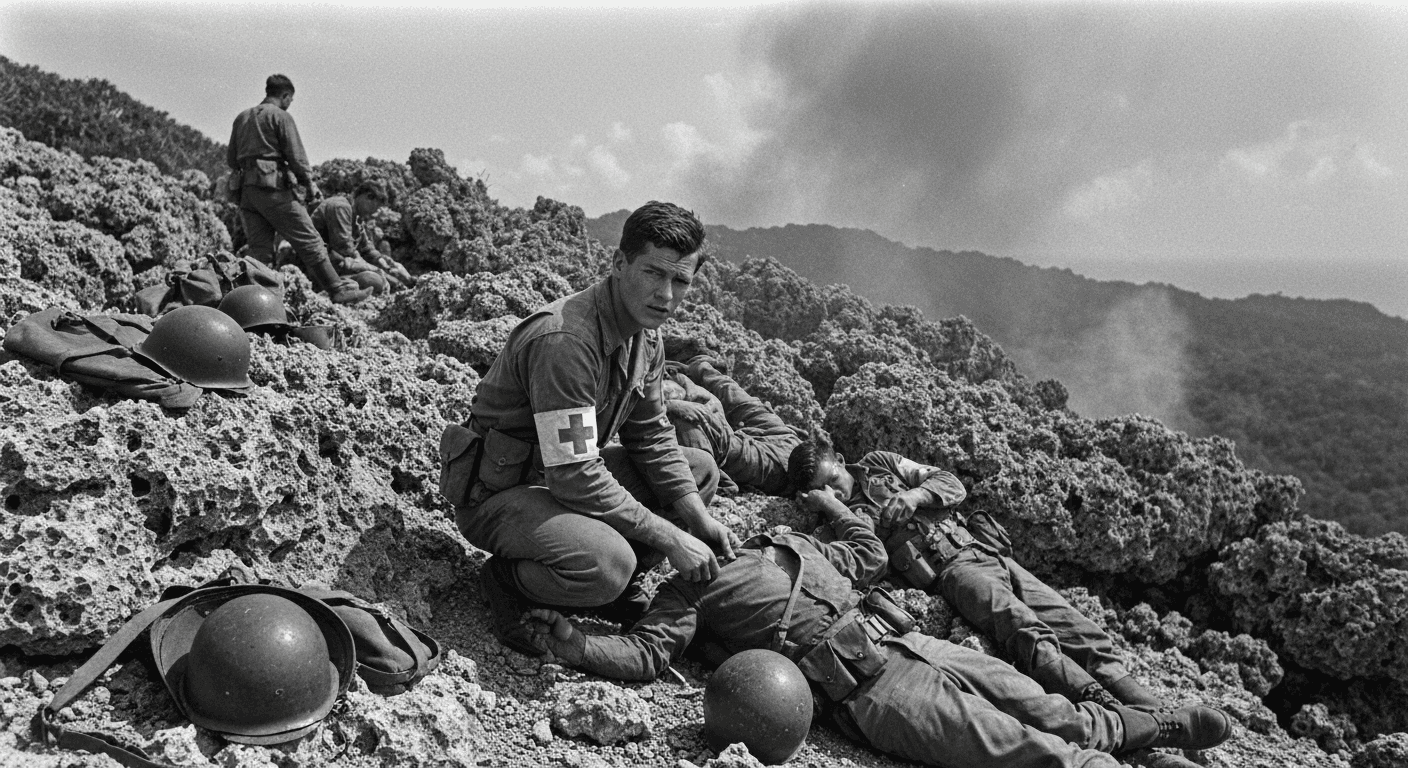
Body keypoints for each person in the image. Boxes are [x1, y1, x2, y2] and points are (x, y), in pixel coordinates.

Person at [525, 489, 1232, 768]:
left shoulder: (779, 543)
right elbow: (649, 653)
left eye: (697, 509)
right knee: (1032, 752)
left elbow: (864, 549)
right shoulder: (689, 593)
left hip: (909, 643)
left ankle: (1155, 730)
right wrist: (577, 643)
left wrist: (831, 503)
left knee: (1053, 712)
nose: (697, 523)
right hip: (872, 694)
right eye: (679, 522)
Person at [454, 201, 738, 656]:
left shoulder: (646, 331)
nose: (665, 294)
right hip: (501, 496)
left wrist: (698, 521)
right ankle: (510, 583)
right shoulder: (567, 341)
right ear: (619, 263)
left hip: (559, 480)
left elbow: (650, 435)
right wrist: (670, 536)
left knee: (699, 471)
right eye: (653, 273)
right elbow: (575, 474)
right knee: (609, 564)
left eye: (680, 280)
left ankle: (604, 582)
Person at [786, 435, 1167, 711]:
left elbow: (949, 483)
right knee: (1017, 623)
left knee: (1072, 623)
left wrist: (916, 495)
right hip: (953, 573)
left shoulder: (880, 463)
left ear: (839, 458)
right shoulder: (839, 526)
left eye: (833, 480)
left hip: (981, 549)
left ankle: (1128, 689)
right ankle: (1096, 700)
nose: (834, 492)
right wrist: (835, 508)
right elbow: (870, 560)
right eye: (823, 493)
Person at [226, 74, 370, 305]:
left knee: (260, 250)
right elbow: (296, 156)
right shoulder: (281, 117)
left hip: (247, 193)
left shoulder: (241, 118)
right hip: (273, 189)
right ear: (285, 96)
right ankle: (337, 289)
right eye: (289, 99)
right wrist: (309, 184)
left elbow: (232, 160)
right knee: (309, 239)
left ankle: (255, 302)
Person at [661, 355, 802, 496]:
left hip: (773, 459)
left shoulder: (762, 466)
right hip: (785, 442)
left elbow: (724, 477)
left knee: (734, 403)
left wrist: (672, 404)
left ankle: (700, 368)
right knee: (740, 402)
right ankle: (700, 367)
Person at [309, 180, 415, 291]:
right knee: (376, 280)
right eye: (376, 207)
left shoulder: (357, 217)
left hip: (337, 259)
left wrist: (384, 262)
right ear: (368, 197)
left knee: (386, 267)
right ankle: (398, 286)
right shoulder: (340, 207)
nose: (375, 212)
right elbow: (343, 247)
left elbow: (366, 247)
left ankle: (407, 282)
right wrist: (370, 266)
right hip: (321, 263)